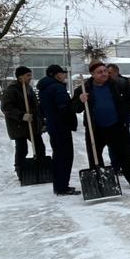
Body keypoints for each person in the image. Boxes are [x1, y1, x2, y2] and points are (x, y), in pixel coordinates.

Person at [72, 61, 130, 189]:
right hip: (95, 129)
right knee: (95, 157)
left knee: (125, 156)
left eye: (105, 71)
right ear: (92, 74)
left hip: (117, 127)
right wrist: (80, 100)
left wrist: (125, 110)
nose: (104, 74)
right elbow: (74, 108)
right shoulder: (84, 88)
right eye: (100, 72)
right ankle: (100, 183)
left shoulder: (118, 83)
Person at [37, 65, 79, 195]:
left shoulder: (44, 89)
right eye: (62, 73)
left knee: (58, 156)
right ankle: (62, 187)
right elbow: (64, 108)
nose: (65, 75)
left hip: (53, 126)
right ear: (56, 75)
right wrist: (70, 116)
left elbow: (42, 109)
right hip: (61, 126)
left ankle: (59, 185)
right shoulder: (58, 88)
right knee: (65, 157)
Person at [0, 66, 46, 175]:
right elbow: (6, 107)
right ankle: (20, 169)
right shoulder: (12, 90)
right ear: (20, 77)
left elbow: (35, 107)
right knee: (22, 148)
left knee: (39, 146)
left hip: (32, 124)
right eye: (28, 75)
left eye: (30, 75)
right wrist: (21, 115)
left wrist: (41, 122)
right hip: (18, 125)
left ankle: (41, 167)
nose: (31, 77)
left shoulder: (29, 89)